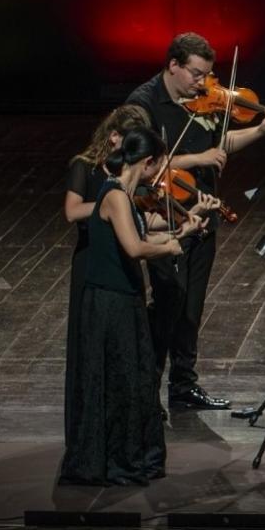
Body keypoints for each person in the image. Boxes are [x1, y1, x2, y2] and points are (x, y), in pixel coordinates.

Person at [126, 31, 265, 412]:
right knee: (168, 300)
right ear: (173, 66)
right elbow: (141, 167)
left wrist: (262, 128)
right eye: (196, 75)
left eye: (206, 75)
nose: (203, 84)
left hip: (203, 215)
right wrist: (197, 161)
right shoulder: (144, 105)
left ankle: (183, 385)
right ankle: (147, 386)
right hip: (163, 215)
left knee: (192, 305)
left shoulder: (201, 103)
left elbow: (220, 145)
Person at [60, 129, 204, 485]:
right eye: (157, 164)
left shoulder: (122, 194)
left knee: (135, 377)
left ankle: (135, 457)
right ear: (146, 162)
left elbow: (141, 237)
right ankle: (115, 461)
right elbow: (136, 249)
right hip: (109, 302)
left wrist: (184, 230)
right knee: (120, 378)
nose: (158, 173)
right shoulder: (115, 197)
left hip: (123, 298)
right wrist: (171, 248)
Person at [60, 105, 157, 419]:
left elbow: (137, 223)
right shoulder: (86, 167)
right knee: (87, 343)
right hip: (91, 259)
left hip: (119, 259)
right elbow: (72, 211)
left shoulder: (124, 178)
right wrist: (112, 207)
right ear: (114, 136)